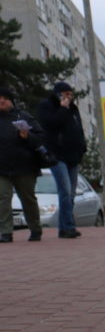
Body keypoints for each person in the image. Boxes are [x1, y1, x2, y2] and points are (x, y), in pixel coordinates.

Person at [36, 81, 87, 239]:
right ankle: (68, 227)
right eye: (66, 94)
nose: (69, 97)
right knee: (64, 190)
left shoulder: (73, 109)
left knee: (71, 193)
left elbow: (78, 128)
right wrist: (63, 108)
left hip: (73, 156)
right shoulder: (47, 106)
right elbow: (52, 124)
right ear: (58, 94)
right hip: (57, 155)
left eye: (71, 94)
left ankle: (65, 228)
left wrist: (82, 147)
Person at [0, 85, 47, 243]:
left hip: (25, 166)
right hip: (2, 167)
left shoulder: (23, 116)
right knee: (3, 198)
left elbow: (40, 138)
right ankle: (5, 232)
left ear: (11, 101)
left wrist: (27, 136)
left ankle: (35, 228)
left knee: (28, 199)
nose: (1, 101)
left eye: (5, 99)